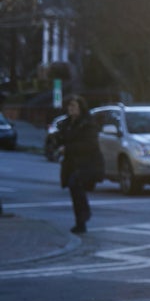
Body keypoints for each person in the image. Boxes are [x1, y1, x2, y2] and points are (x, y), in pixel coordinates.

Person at [59, 96, 103, 234]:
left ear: (80, 108)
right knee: (74, 190)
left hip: (86, 162)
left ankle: (83, 217)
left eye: (74, 105)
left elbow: (90, 145)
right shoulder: (67, 123)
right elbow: (63, 138)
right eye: (69, 105)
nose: (71, 108)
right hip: (71, 162)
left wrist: (68, 148)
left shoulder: (88, 123)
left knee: (76, 186)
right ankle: (80, 222)